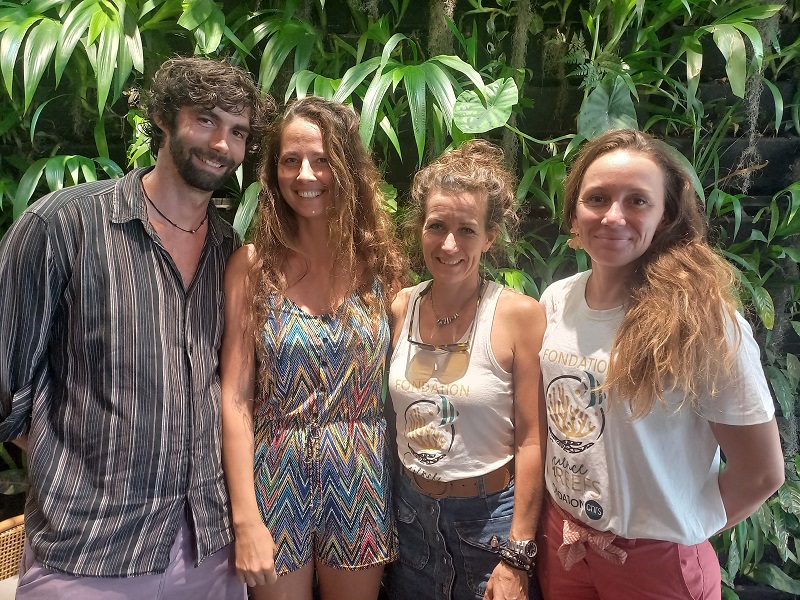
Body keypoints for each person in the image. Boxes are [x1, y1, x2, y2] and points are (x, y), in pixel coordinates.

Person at [0, 56, 272, 599]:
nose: (222, 144)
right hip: (90, 551)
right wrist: (72, 464)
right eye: (205, 120)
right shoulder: (64, 225)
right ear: (165, 120)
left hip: (210, 553)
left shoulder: (233, 257)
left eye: (237, 131)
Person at [536, 128, 785, 599]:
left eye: (637, 201)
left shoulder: (701, 323)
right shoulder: (556, 300)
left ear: (666, 215)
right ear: (574, 213)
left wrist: (674, 530)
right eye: (598, 198)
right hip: (565, 539)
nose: (613, 216)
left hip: (654, 561)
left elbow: (761, 473)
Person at [220, 96, 406, 600]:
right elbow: (235, 399)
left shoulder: (380, 265)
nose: (306, 174)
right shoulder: (252, 267)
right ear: (273, 171)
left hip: (360, 467)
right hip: (275, 472)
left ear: (346, 167)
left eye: (322, 159)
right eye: (290, 160)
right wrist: (245, 519)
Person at [385, 139, 547, 600]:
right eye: (437, 226)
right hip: (410, 517)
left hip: (489, 524)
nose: (449, 244)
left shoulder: (518, 316)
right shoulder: (400, 306)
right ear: (420, 229)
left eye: (467, 230)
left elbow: (533, 439)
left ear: (490, 237)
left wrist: (518, 553)